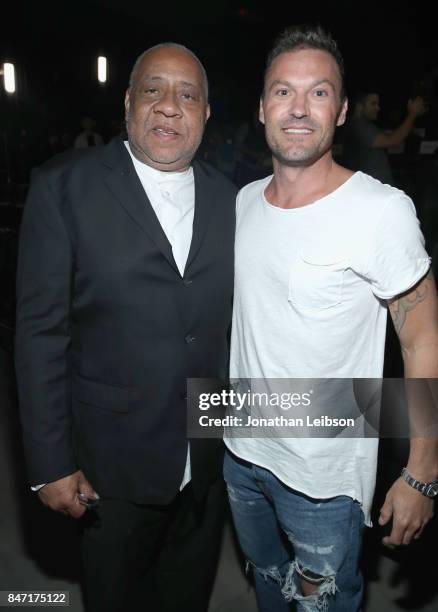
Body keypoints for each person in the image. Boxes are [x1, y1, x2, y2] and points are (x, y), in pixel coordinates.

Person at [223, 25, 438, 612]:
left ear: (341, 111)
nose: (298, 108)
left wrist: (422, 473)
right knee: (267, 582)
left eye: (318, 93)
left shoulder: (380, 210)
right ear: (262, 105)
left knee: (324, 602)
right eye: (283, 92)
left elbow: (423, 340)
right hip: (240, 455)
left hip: (323, 481)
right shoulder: (243, 202)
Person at [15, 43, 236, 612]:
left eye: (187, 94)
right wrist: (49, 464)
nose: (169, 106)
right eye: (153, 89)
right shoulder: (63, 186)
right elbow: (41, 333)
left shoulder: (233, 197)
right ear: (127, 103)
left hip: (208, 459)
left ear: (206, 114)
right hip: (110, 465)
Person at [342, 90, 427, 184]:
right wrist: (412, 114)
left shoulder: (366, 125)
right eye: (373, 104)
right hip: (370, 191)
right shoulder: (358, 126)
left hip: (374, 188)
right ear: (359, 106)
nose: (378, 108)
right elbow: (392, 140)